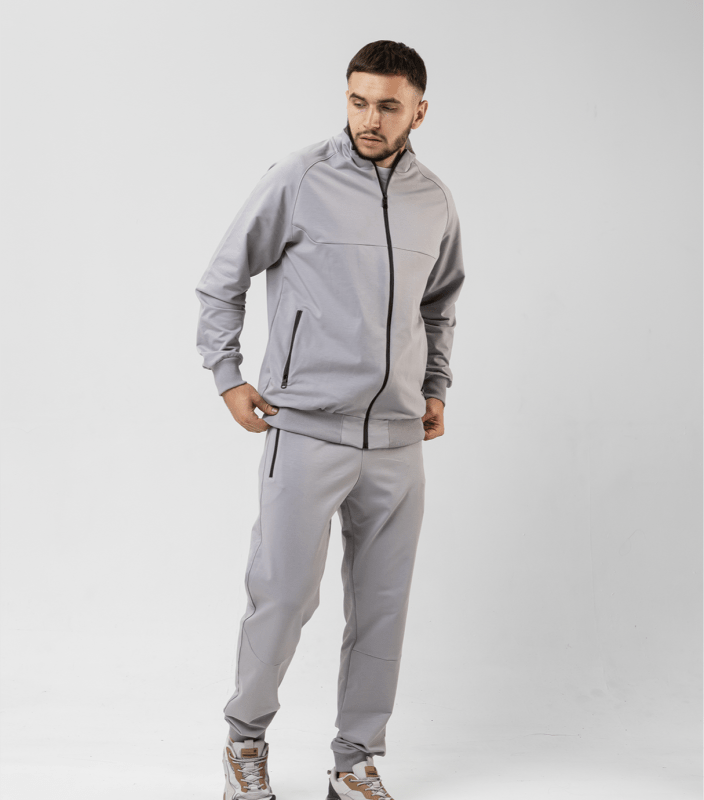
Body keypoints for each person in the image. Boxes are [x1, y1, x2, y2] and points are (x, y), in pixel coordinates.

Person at [195, 39, 465, 800]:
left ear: (419, 111)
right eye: (357, 101)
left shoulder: (434, 199)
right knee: (282, 597)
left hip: (398, 441)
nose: (369, 119)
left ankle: (355, 760)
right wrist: (227, 375)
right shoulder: (300, 176)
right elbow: (221, 280)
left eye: (387, 105)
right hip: (307, 427)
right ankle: (244, 743)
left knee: (382, 608)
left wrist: (435, 385)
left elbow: (439, 304)